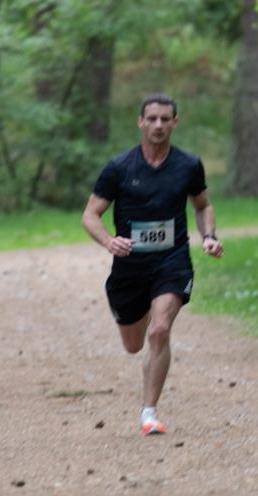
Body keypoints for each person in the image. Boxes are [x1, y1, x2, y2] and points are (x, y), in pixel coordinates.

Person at [82, 93, 224, 436]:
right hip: (129, 266)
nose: (158, 125)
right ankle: (139, 312)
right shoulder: (119, 167)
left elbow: (202, 205)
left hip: (172, 260)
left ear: (175, 123)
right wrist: (108, 240)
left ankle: (149, 413)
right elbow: (91, 215)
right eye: (152, 119)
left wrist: (208, 235)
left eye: (165, 119)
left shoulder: (189, 165)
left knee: (159, 330)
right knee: (134, 344)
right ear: (141, 122)